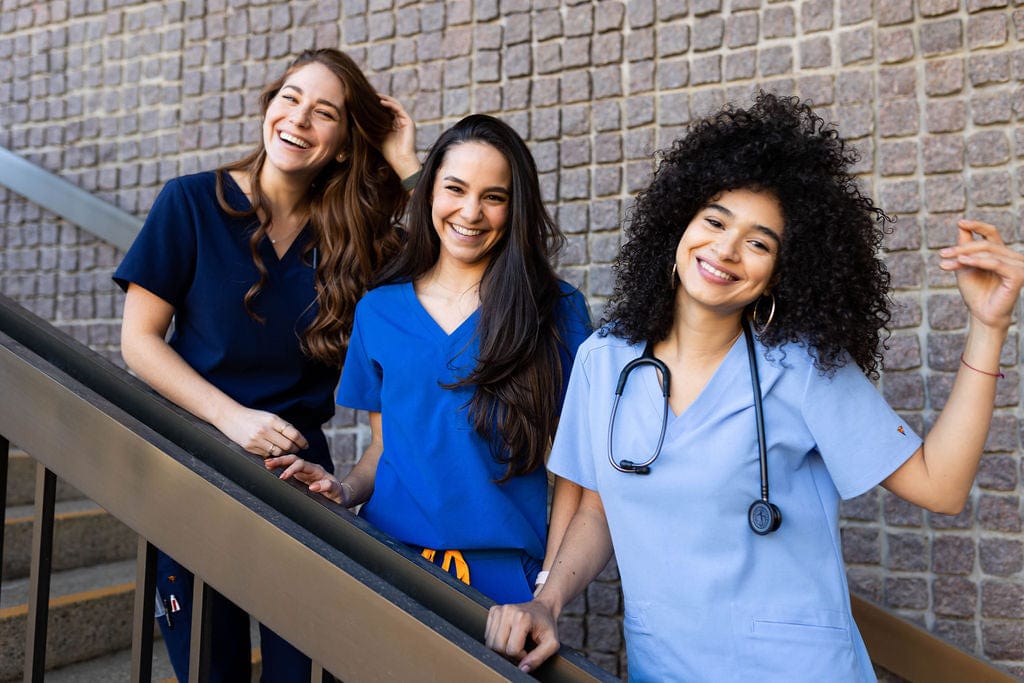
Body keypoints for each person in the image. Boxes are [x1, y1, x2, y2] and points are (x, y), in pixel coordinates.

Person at [484, 92, 1024, 681]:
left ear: (780, 273)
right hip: (666, 666)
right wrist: (548, 601)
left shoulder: (804, 369)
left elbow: (940, 487)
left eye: (759, 242)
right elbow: (596, 505)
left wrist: (988, 328)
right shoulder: (604, 360)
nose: (726, 249)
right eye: (714, 221)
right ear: (679, 225)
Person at [114, 48, 419, 683]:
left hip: (301, 490)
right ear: (268, 108)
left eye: (324, 112)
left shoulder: (356, 237)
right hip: (195, 475)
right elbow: (139, 342)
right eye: (290, 98)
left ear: (341, 144)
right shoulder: (191, 203)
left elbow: (454, 261)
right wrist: (232, 420)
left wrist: (407, 165)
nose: (299, 119)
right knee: (212, 670)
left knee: (307, 674)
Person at [267, 114, 592, 604]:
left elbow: (575, 462)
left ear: (515, 208)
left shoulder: (555, 310)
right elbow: (385, 446)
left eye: (494, 197)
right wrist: (346, 489)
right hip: (387, 561)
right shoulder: (378, 309)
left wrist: (548, 586)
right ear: (429, 193)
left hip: (503, 578)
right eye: (455, 189)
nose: (471, 211)